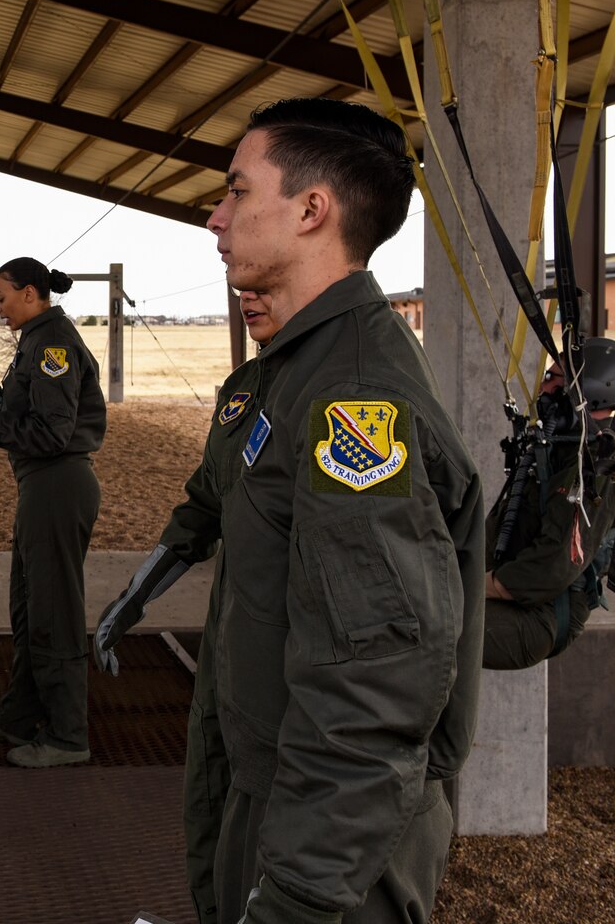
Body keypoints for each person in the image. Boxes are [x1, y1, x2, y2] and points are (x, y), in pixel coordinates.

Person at [99, 98, 483, 924]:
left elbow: (376, 684)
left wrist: (300, 897)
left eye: (238, 192)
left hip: (328, 843)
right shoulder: (286, 372)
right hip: (272, 790)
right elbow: (220, 499)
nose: (215, 217)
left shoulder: (353, 399)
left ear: (314, 210)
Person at [94, 289, 272, 923]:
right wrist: (132, 599)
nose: (247, 294)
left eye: (266, 281)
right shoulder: (245, 386)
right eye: (242, 287)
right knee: (207, 798)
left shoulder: (350, 389)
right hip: (228, 638)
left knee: (263, 823)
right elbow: (203, 508)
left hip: (286, 666)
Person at [0, 257, 106, 768]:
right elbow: (36, 412)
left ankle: (67, 736)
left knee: (54, 610)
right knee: (29, 607)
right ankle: (21, 714)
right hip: (42, 487)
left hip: (57, 485)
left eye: (1, 297)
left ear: (30, 293)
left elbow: (53, 435)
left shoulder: (53, 344)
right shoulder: (36, 339)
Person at [483, 340, 615, 670]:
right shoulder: (561, 448)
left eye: (555, 379)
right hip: (512, 597)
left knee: (427, 629)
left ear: (588, 391)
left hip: (545, 613)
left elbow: (551, 567)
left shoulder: (598, 465)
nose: (544, 386)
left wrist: (468, 585)